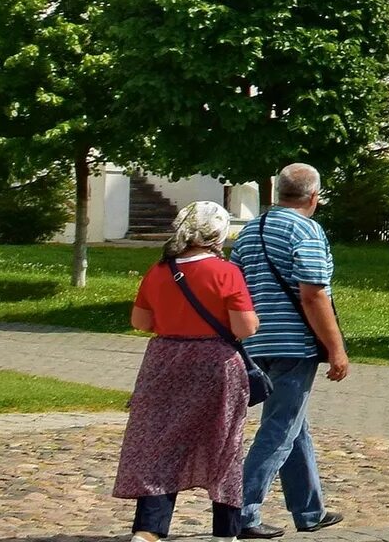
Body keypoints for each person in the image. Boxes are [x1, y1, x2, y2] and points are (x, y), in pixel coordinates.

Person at [113, 200, 256, 541]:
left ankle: (149, 529)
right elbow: (245, 327)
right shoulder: (226, 272)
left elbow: (140, 321)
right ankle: (225, 531)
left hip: (164, 360)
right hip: (215, 363)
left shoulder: (159, 270)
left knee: (159, 444)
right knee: (224, 444)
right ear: (217, 233)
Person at [231, 163, 348, 537]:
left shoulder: (250, 231)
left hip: (255, 342)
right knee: (279, 428)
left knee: (295, 426)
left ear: (279, 192)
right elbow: (313, 294)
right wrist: (336, 348)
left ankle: (309, 510)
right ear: (313, 196)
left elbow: (235, 292)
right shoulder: (307, 230)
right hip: (294, 344)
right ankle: (242, 511)